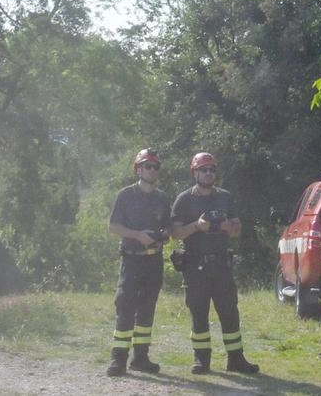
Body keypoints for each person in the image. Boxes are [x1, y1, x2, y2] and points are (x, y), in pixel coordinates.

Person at [169, 152, 259, 375]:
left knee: (229, 312)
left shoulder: (225, 197)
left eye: (212, 170)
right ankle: (201, 360)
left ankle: (236, 359)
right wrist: (197, 226)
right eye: (204, 170)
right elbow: (175, 233)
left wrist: (228, 225)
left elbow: (238, 229)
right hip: (195, 265)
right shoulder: (184, 199)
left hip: (221, 264)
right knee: (199, 313)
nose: (208, 174)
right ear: (194, 172)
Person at [105, 148, 170, 377]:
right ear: (138, 169)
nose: (152, 170)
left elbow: (168, 227)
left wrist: (163, 234)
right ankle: (118, 360)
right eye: (147, 166)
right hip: (132, 261)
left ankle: (140, 359)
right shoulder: (125, 195)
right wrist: (138, 235)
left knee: (147, 310)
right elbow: (113, 227)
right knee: (125, 307)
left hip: (154, 261)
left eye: (155, 167)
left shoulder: (162, 198)